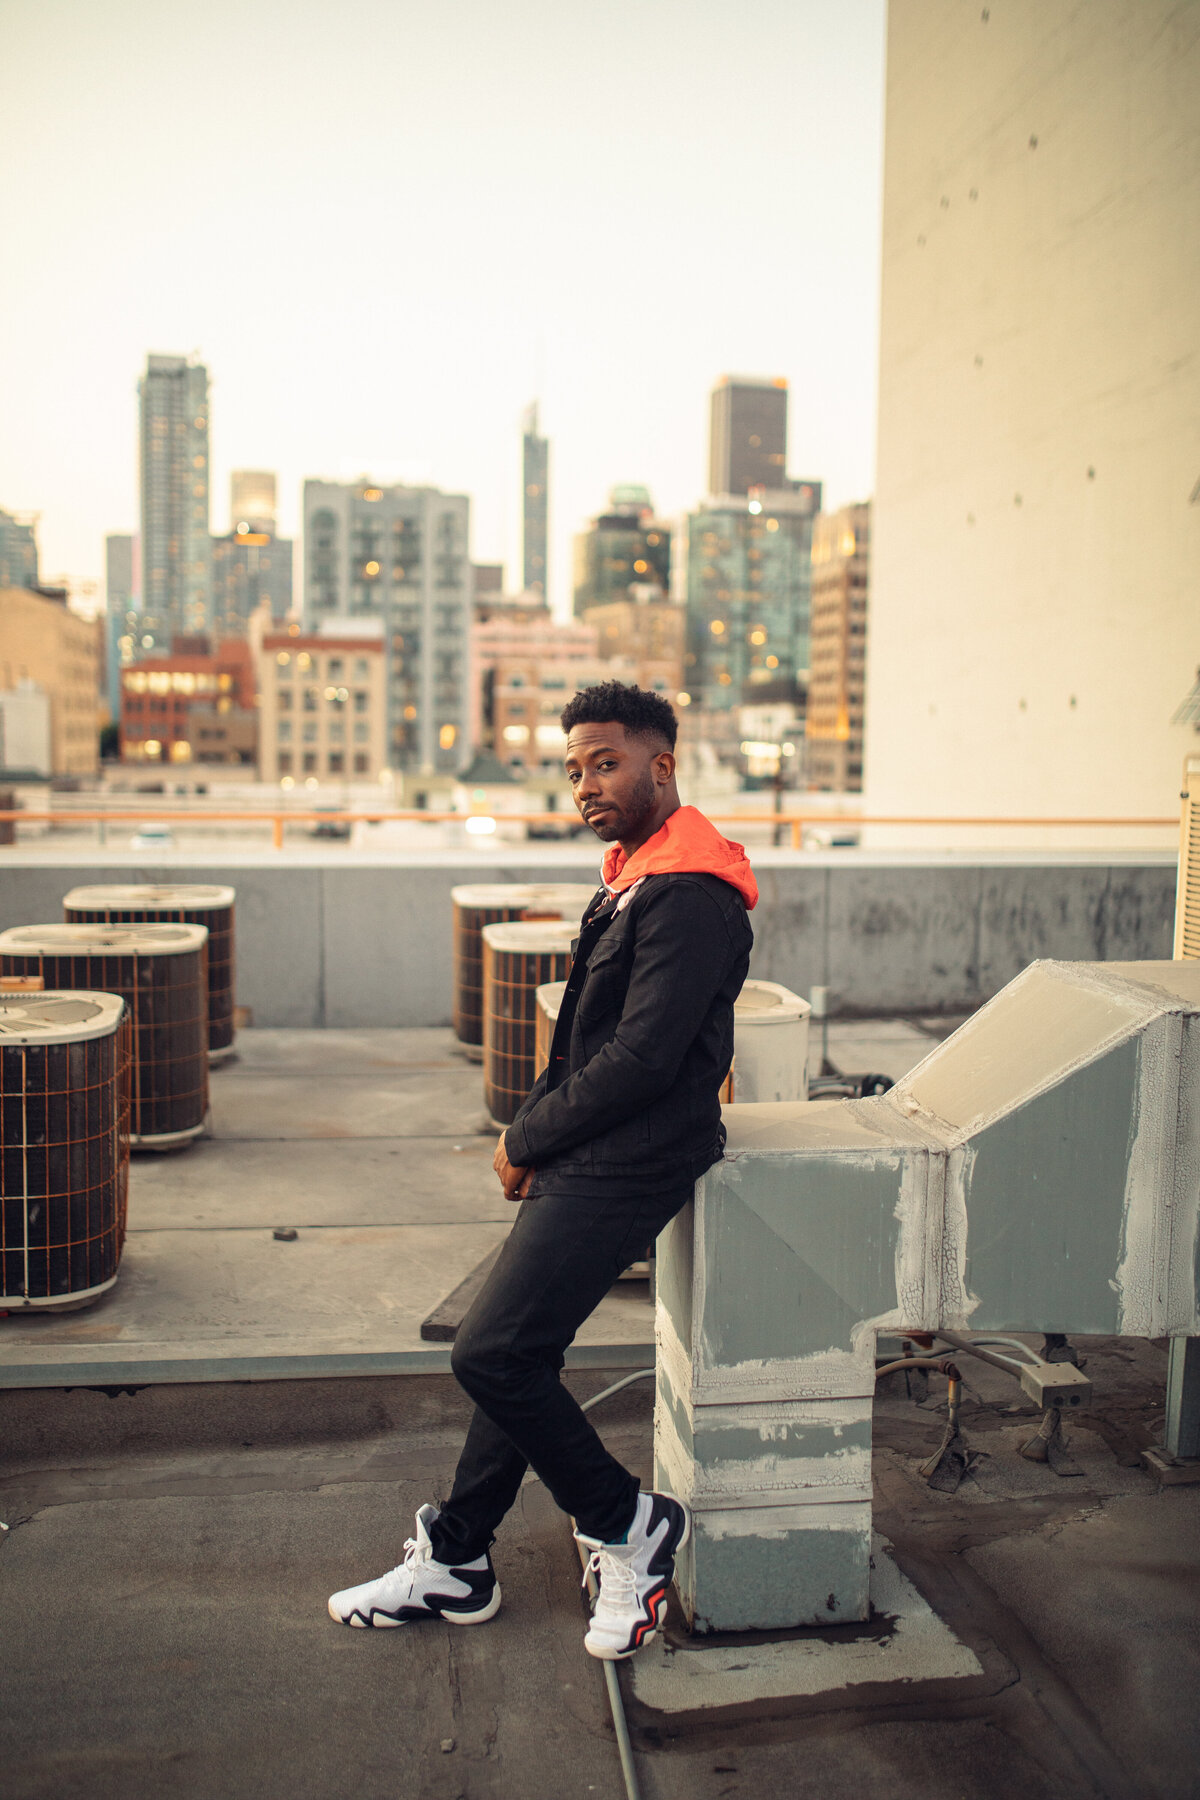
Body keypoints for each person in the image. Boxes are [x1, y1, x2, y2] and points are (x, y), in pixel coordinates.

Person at [328, 681, 757, 1660]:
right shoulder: (637, 876)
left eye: (604, 763)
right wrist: (544, 1130)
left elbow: (644, 1060)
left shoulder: (690, 894)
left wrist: (527, 1136)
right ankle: (458, 1559)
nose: (585, 785)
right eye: (572, 770)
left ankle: (629, 1526)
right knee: (516, 1355)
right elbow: (584, 1039)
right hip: (596, 1150)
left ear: (662, 764)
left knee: (490, 1355)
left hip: (636, 1157)